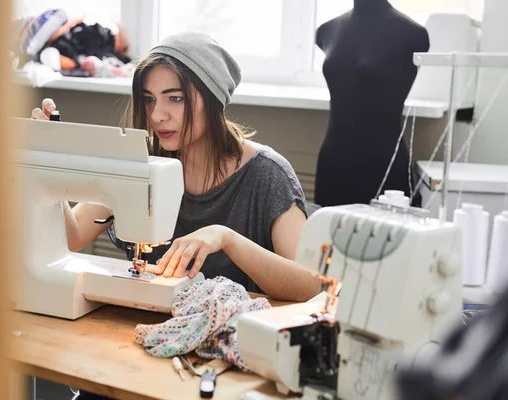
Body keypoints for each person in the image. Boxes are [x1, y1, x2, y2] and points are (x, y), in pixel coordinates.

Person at [31, 32, 322, 304]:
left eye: (175, 98)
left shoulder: (267, 174)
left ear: (212, 98)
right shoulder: (140, 160)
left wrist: (227, 238)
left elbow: (312, 285)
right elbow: (72, 235)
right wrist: (48, 158)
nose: (157, 115)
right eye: (149, 100)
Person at [313, 0, 429, 207]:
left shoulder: (412, 34)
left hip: (382, 163)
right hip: (333, 163)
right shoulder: (326, 29)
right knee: (327, 237)